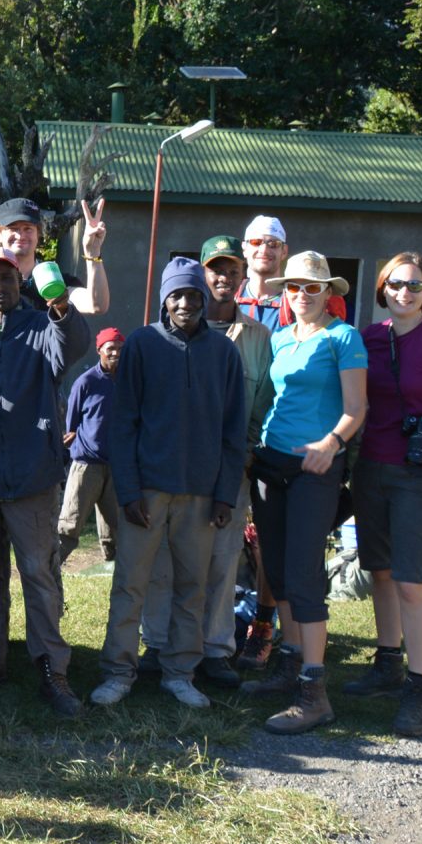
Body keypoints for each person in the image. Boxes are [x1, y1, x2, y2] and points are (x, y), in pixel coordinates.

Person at [88, 260, 246, 711]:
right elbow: (124, 424)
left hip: (200, 494)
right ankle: (118, 672)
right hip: (147, 492)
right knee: (131, 583)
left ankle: (180, 672)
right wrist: (130, 492)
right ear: (163, 300)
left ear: (205, 299)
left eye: (193, 295)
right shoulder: (141, 345)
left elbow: (233, 430)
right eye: (176, 295)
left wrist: (224, 494)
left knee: (192, 587)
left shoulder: (223, 353)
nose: (185, 303)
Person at [0, 246, 91, 716]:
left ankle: (53, 668)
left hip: (31, 477)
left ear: (19, 281)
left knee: (39, 575)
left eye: (6, 278)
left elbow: (72, 346)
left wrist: (62, 308)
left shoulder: (42, 328)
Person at [338, 252, 422, 738]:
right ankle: (387, 662)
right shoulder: (367, 337)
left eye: (415, 285)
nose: (405, 292)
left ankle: (418, 686)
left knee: (413, 581)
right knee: (381, 572)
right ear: (383, 288)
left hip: (421, 473)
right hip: (372, 466)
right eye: (396, 284)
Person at [241, 251, 367, 736]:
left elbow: (357, 407)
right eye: (294, 287)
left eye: (312, 288)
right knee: (276, 567)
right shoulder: (278, 339)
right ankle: (290, 666)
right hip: (270, 464)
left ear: (328, 293)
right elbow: (272, 401)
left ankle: (315, 695)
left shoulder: (344, 338)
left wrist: (332, 443)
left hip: (317, 465)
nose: (301, 295)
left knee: (304, 572)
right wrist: (254, 448)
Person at [143, 235, 275, 685]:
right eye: (215, 269)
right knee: (163, 559)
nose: (224, 278)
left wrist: (245, 452)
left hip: (231, 469)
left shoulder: (258, 337)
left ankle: (216, 648)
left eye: (232, 270)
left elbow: (262, 402)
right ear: (200, 274)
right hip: (172, 470)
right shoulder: (163, 333)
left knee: (222, 560)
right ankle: (158, 643)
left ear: (243, 277)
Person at [57, 328, 122, 568]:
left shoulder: (126, 380)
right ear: (100, 351)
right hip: (87, 465)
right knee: (71, 523)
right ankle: (51, 567)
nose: (115, 353)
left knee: (116, 525)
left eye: (119, 348)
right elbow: (71, 425)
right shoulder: (86, 382)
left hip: (115, 466)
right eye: (110, 348)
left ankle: (113, 565)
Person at [0, 197, 108, 315]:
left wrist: (92, 252)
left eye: (28, 229)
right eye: (13, 229)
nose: (20, 236)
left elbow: (96, 305)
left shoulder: (57, 281)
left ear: (38, 233)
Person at [236, 216, 346, 332]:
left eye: (273, 244)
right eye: (256, 242)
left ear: (284, 251)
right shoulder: (230, 296)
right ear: (244, 248)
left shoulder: (302, 300)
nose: (264, 250)